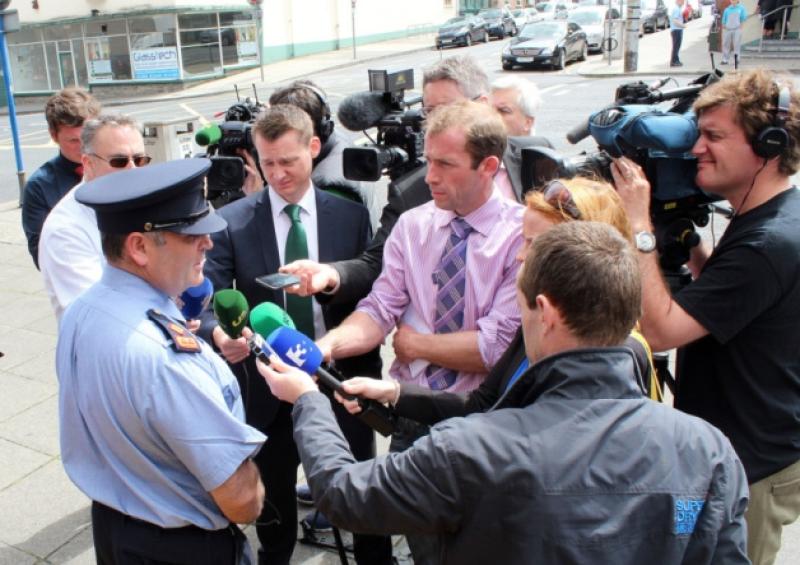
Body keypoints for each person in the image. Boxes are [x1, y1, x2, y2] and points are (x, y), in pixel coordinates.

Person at [258, 220, 751, 565]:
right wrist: (394, 394)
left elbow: (344, 495)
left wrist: (307, 400)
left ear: (546, 311)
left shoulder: (472, 450)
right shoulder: (708, 452)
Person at [614, 69, 800, 565]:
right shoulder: (771, 216)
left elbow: (659, 331)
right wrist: (690, 242)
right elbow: (728, 297)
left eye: (714, 136)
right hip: (720, 452)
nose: (697, 148)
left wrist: (639, 222)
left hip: (749, 468)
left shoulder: (768, 244)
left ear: (769, 145)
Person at [199, 105, 391, 565]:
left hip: (340, 378)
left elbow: (369, 280)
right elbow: (209, 300)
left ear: (313, 148)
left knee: (361, 493)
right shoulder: (232, 221)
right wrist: (219, 336)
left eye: (289, 161)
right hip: (269, 386)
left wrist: (331, 279)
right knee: (276, 500)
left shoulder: (348, 214)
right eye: (267, 164)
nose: (279, 174)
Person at [56, 159, 265, 565]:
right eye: (192, 234)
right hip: (182, 548)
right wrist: (257, 486)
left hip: (116, 529)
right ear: (139, 247)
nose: (207, 243)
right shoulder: (166, 358)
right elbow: (241, 500)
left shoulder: (83, 311)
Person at [338, 177, 661, 428]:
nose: (521, 255)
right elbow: (484, 404)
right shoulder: (535, 323)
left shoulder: (623, 352)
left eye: (533, 244)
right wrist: (395, 394)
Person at [280, 54, 551, 304]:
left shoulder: (537, 158)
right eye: (428, 111)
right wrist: (331, 274)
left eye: (445, 109)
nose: (434, 122)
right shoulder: (415, 189)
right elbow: (377, 263)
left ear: (482, 105)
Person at [39, 114, 151, 322]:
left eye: (139, 160)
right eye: (119, 161)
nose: (133, 169)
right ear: (88, 163)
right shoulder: (65, 230)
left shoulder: (141, 203)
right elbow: (99, 314)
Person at [21, 88, 101, 268]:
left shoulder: (116, 166)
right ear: (53, 135)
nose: (84, 147)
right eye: (73, 140)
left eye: (88, 137)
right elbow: (41, 255)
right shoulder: (39, 186)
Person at [721, 0, 747, 67]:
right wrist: (724, 25)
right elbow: (724, 19)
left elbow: (743, 18)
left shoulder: (741, 8)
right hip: (728, 29)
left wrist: (741, 26)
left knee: (736, 44)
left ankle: (736, 59)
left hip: (737, 29)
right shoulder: (727, 9)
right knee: (726, 44)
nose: (733, 1)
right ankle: (725, 59)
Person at [670, 0, 687, 67]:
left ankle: (676, 60)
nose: (683, 3)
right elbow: (675, 21)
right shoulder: (677, 9)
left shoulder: (677, 9)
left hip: (676, 30)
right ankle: (674, 61)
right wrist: (683, 25)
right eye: (682, 1)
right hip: (677, 30)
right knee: (676, 46)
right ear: (678, 1)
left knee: (676, 46)